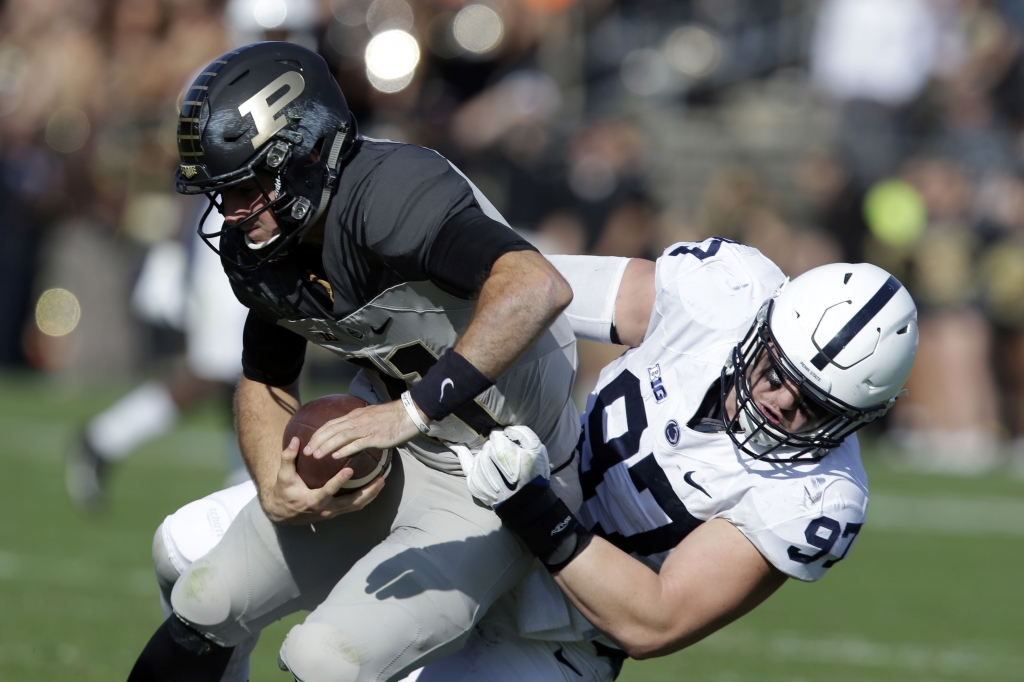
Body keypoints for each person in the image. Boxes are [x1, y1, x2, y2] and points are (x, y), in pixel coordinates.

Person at [127, 42, 583, 682]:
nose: (231, 213)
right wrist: (273, 482)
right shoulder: (262, 245)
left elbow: (538, 286)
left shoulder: (391, 195)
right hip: (395, 458)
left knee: (323, 660)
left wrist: (411, 410)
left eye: (250, 186)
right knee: (204, 599)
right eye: (221, 193)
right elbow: (265, 374)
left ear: (309, 152)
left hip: (505, 478)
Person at [431, 240, 918, 680]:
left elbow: (654, 622)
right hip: (484, 503)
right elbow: (536, 288)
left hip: (553, 634)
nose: (783, 403)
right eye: (777, 373)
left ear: (855, 420)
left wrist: (532, 506)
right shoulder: (724, 293)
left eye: (815, 407)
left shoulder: (820, 497)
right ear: (761, 330)